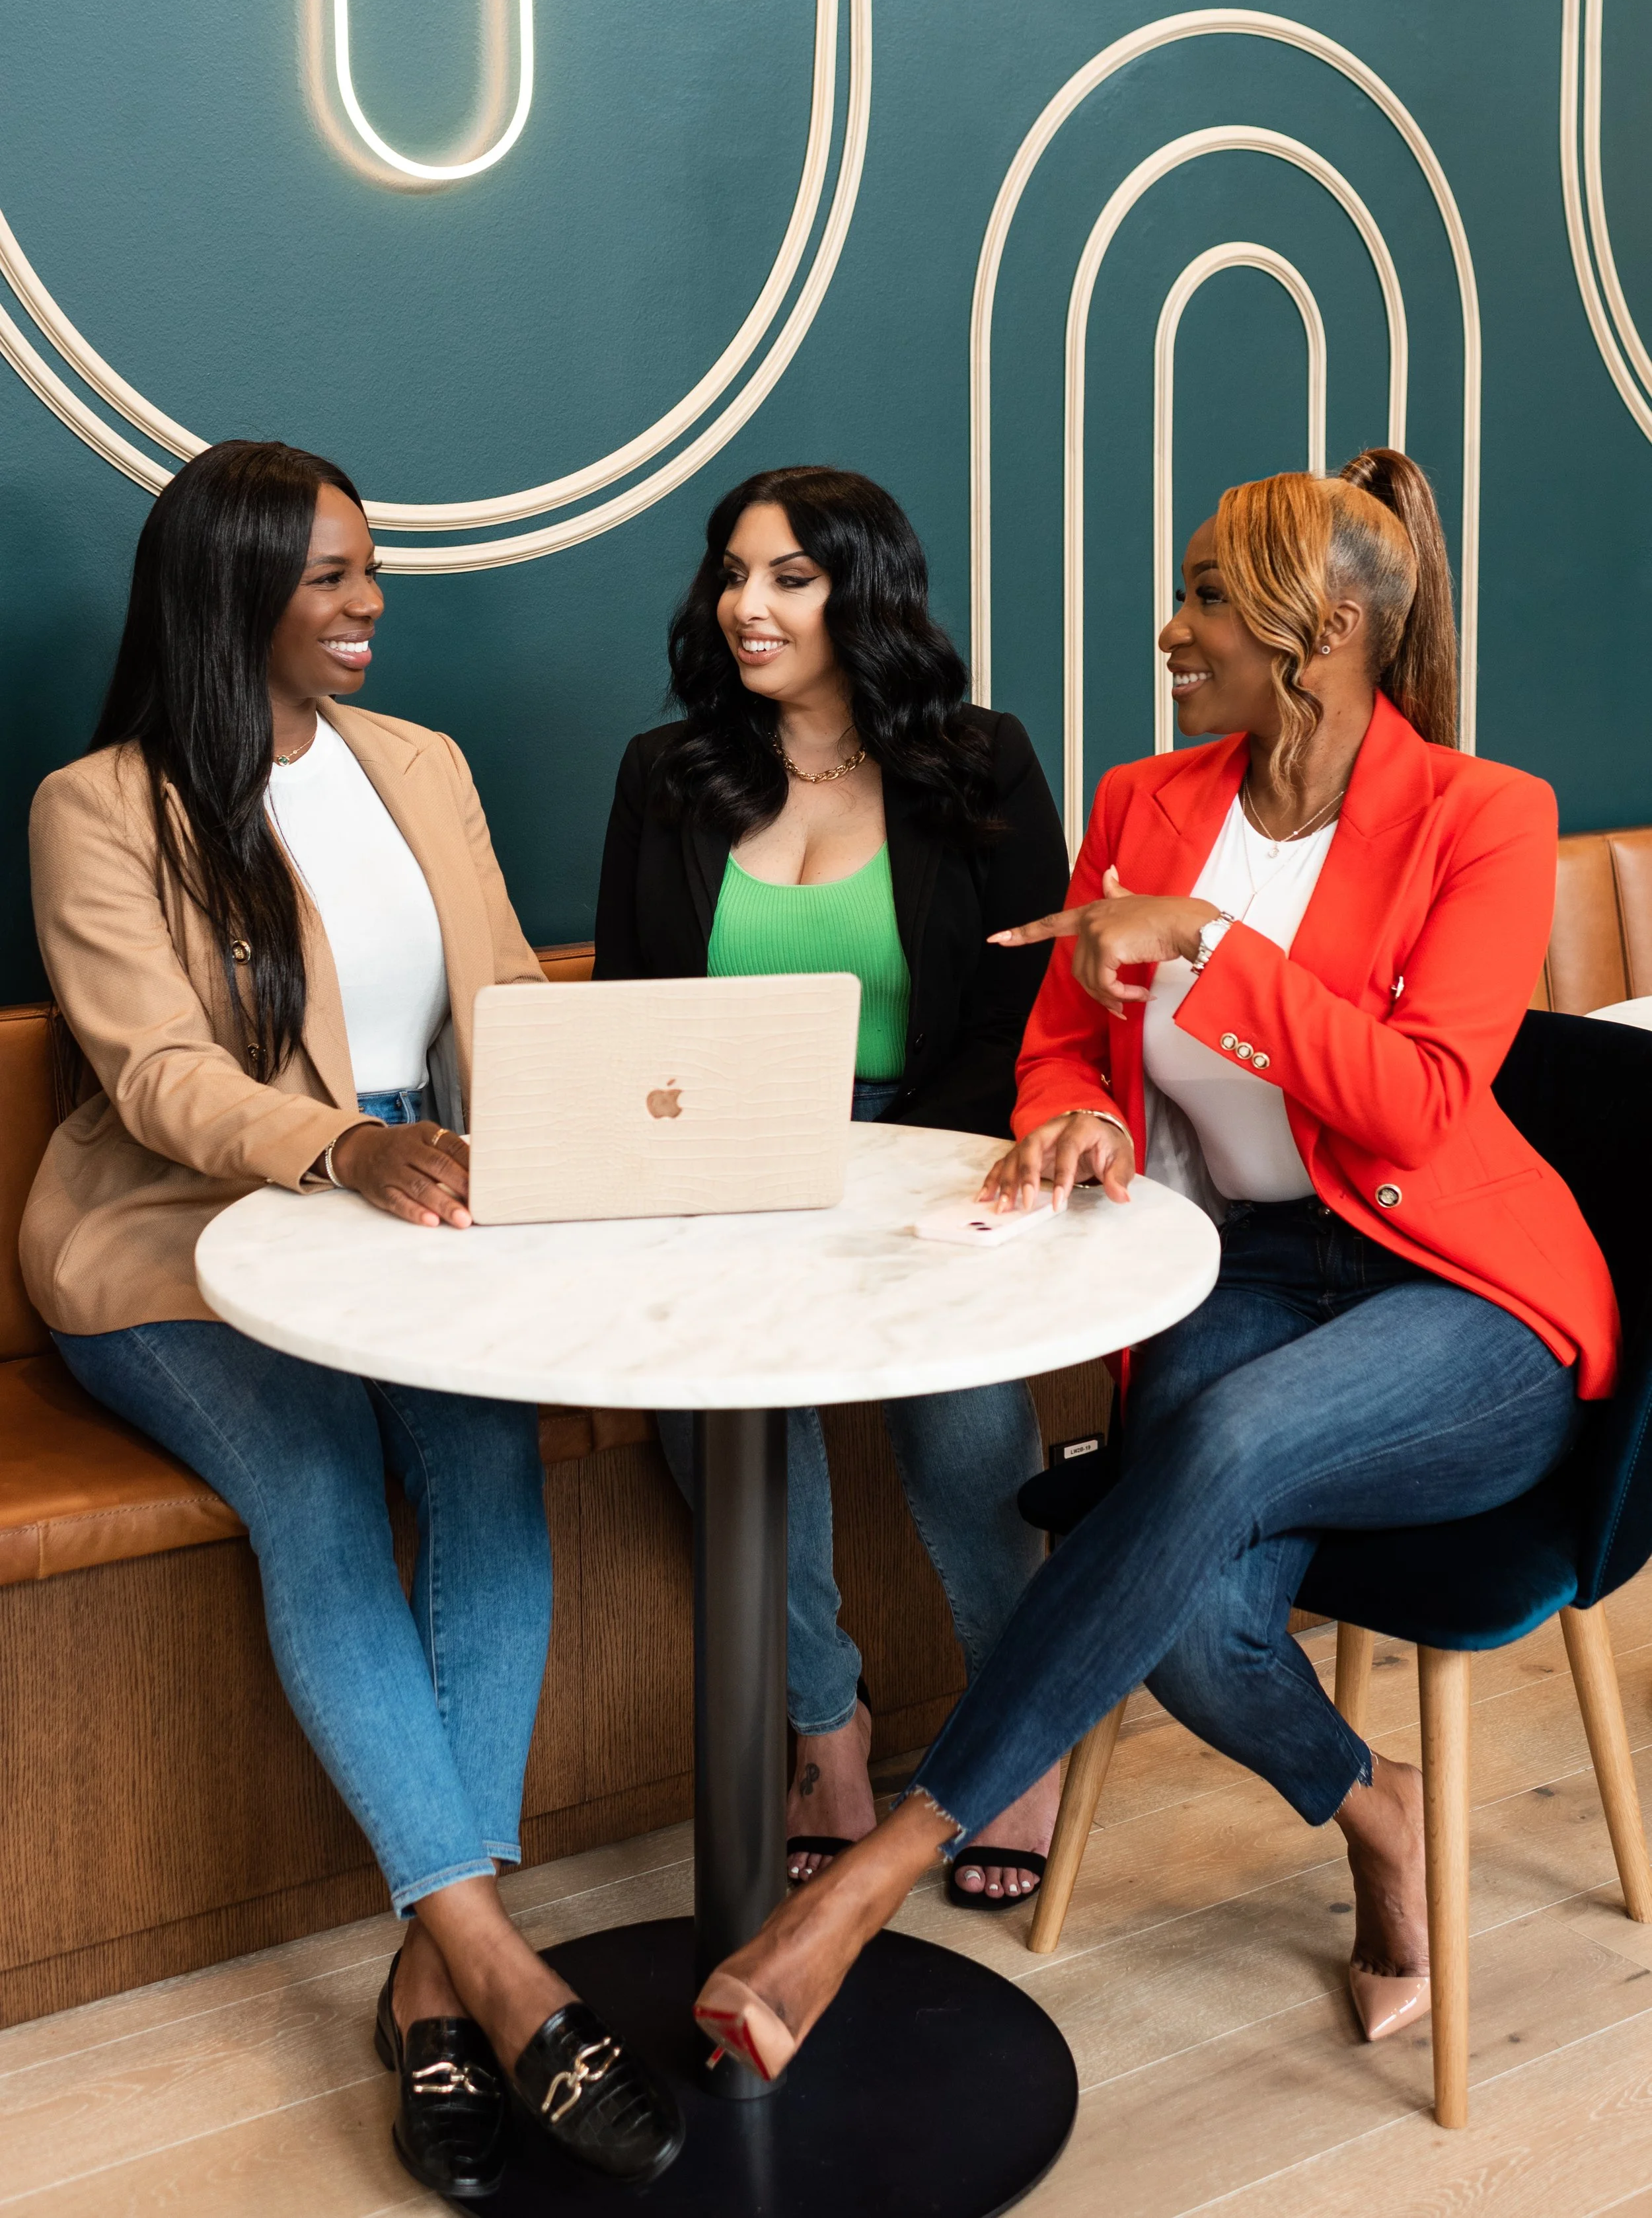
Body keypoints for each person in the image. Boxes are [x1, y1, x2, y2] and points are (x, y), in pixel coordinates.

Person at [684, 449, 1619, 2083]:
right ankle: (1377, 1809)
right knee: (1180, 1611)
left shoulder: (1485, 816)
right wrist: (1081, 1125)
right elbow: (1060, 1037)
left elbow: (1416, 1096)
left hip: (1465, 1300)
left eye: (1203, 594)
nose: (1171, 626)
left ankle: (873, 1881)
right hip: (1239, 1269)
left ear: (1319, 628)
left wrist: (1205, 941)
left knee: (1207, 1455)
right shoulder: (1146, 798)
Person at [24, 442, 683, 2200]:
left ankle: (427, 1970)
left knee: (488, 1468)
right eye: (328, 573)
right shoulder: (101, 804)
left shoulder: (421, 766)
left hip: (414, 1214)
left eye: (369, 566)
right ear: (229, 587)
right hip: (184, 1243)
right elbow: (153, 1074)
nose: (370, 599)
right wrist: (345, 1141)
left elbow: (498, 1005)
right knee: (316, 1488)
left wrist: (579, 1148)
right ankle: (507, 1970)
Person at [595, 464, 1071, 1903]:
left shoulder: (975, 760)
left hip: (931, 1147)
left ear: (861, 589)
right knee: (712, 1418)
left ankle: (1016, 1726)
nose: (747, 605)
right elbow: (629, 1009)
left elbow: (1018, 1006)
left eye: (788, 575)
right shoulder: (665, 774)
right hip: (726, 1164)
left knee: (965, 1413)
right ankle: (826, 1727)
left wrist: (888, 1175)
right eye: (732, 573)